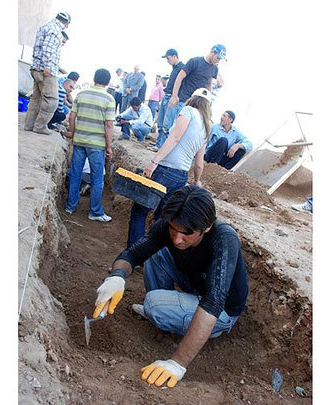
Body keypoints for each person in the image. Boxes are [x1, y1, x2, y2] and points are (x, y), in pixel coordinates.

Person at [93, 185, 248, 388]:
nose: (177, 239)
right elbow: (131, 255)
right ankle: (166, 312)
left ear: (207, 227)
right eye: (173, 229)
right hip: (197, 287)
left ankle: (168, 313)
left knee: (154, 304)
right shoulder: (168, 226)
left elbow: (215, 300)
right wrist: (117, 277)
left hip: (222, 310)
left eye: (187, 234)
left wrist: (178, 363)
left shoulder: (224, 239)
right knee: (155, 254)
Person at [126, 88, 212, 247]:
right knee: (162, 219)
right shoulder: (207, 126)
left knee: (140, 211)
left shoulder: (188, 111)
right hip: (181, 176)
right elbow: (199, 162)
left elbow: (175, 137)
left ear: (192, 99)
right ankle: (150, 258)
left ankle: (132, 254)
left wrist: (154, 161)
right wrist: (197, 181)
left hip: (166, 170)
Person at [64, 68, 115, 222]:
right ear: (107, 82)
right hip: (97, 145)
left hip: (79, 141)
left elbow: (71, 117)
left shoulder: (81, 94)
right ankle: (95, 212)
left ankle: (70, 207)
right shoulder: (109, 99)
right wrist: (109, 147)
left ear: (94, 79)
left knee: (75, 174)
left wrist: (72, 134)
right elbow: (109, 126)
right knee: (97, 178)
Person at [160, 44, 226, 147]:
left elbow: (209, 84)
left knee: (186, 131)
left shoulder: (214, 69)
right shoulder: (195, 61)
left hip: (197, 105)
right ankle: (161, 151)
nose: (218, 61)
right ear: (212, 52)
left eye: (220, 59)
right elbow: (180, 77)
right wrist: (174, 95)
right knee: (171, 128)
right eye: (218, 57)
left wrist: (207, 103)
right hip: (183, 100)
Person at [24, 11, 71, 135]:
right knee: (52, 101)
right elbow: (48, 49)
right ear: (66, 23)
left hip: (36, 68)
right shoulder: (55, 30)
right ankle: (40, 126)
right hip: (46, 71)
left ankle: (29, 125)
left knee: (37, 98)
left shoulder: (45, 27)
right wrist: (48, 67)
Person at [152, 49, 184, 150]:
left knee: (167, 123)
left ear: (175, 56)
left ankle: (162, 146)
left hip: (172, 97)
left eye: (168, 58)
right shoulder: (174, 67)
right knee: (160, 121)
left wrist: (175, 97)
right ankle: (158, 143)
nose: (167, 60)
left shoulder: (182, 67)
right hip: (167, 96)